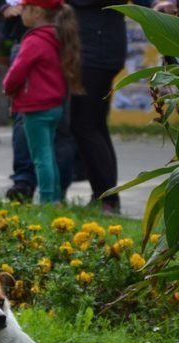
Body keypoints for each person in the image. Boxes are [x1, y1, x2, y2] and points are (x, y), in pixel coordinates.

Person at [2, 0, 82, 204]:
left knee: (41, 157)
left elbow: (17, 70)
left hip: (36, 107)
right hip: (55, 106)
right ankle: (55, 196)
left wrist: (7, 88)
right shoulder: (58, 36)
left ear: (36, 12)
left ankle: (48, 201)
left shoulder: (33, 40)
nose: (21, 13)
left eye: (24, 9)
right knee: (49, 154)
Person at [66, 0, 129, 213]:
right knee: (94, 125)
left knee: (85, 125)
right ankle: (104, 195)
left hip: (96, 49)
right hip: (97, 45)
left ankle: (107, 198)